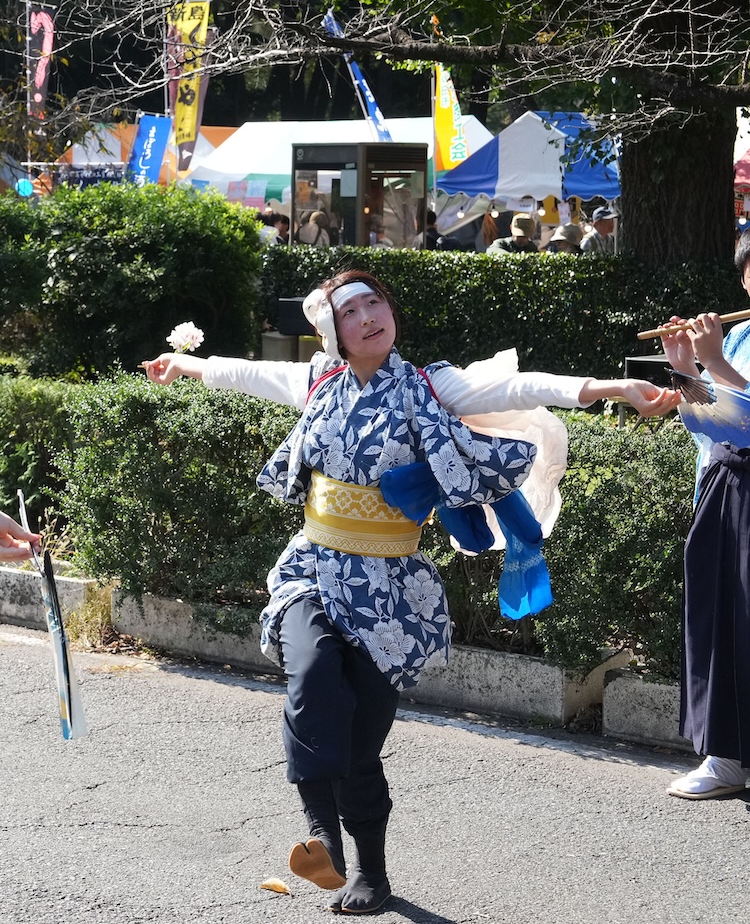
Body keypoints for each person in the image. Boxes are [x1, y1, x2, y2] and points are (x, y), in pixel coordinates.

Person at [143, 271, 679, 911]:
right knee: (311, 681)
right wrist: (185, 363)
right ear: (333, 333)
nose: (369, 316)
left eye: (377, 303)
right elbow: (247, 373)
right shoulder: (316, 381)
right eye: (352, 310)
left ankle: (372, 871)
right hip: (313, 568)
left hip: (391, 590)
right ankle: (322, 839)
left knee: (361, 741)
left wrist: (612, 387)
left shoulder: (431, 385)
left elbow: (517, 385)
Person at [661, 230, 750, 800]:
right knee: (724, 618)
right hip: (728, 487)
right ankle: (728, 754)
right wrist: (687, 370)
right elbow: (716, 419)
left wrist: (713, 362)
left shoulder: (731, 346)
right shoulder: (741, 335)